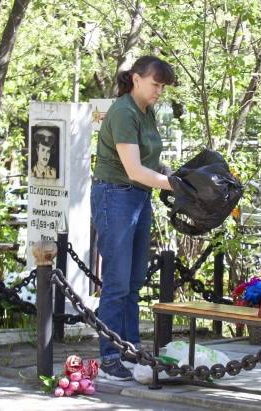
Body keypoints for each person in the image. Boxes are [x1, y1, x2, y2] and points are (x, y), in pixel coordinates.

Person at [91, 56, 176, 381]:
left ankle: (130, 349)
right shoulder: (124, 111)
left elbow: (149, 162)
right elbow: (134, 168)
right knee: (116, 281)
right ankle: (110, 357)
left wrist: (172, 174)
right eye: (156, 84)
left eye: (163, 87)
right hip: (115, 196)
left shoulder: (146, 110)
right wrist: (176, 185)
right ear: (137, 78)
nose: (159, 91)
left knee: (133, 281)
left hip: (139, 197)